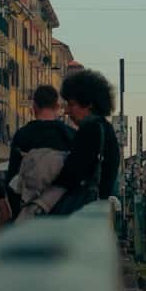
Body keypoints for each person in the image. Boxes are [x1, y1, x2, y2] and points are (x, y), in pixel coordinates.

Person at [50, 70, 121, 213]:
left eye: (72, 104)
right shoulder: (106, 129)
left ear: (88, 103)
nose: (67, 111)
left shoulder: (90, 130)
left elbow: (72, 173)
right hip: (98, 209)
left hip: (82, 209)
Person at [6, 85, 75, 218]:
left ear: (34, 106)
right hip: (61, 212)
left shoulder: (22, 135)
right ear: (56, 106)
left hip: (29, 212)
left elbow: (12, 177)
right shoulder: (70, 135)